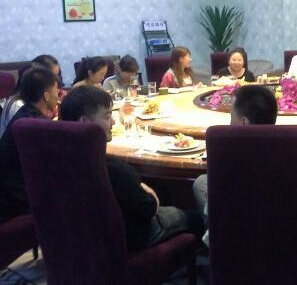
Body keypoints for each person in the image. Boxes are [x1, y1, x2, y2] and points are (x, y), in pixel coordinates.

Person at [59, 86, 203, 251]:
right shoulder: (113, 169)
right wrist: (148, 191)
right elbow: (148, 208)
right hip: (126, 240)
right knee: (194, 217)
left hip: (75, 241)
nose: (113, 122)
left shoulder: (57, 161)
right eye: (107, 116)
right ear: (84, 122)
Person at [192, 85, 278, 246]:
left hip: (233, 246)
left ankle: (221, 247)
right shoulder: (291, 150)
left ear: (244, 122)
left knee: (201, 182)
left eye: (231, 116)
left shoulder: (226, 157)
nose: (229, 123)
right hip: (285, 244)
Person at [0, 67, 59, 222]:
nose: (58, 96)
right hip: (18, 202)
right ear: (46, 96)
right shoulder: (37, 125)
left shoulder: (24, 114)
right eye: (56, 91)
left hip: (8, 193)